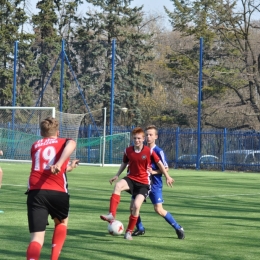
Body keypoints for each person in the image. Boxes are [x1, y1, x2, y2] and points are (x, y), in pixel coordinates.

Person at [100, 127, 174, 240]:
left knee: (135, 206)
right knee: (118, 185)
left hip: (144, 183)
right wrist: (117, 175)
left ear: (143, 139)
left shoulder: (149, 151)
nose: (137, 140)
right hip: (131, 179)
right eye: (134, 138)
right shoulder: (128, 150)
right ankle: (111, 214)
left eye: (139, 138)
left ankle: (129, 231)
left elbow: (160, 164)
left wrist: (167, 176)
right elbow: (124, 163)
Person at [26, 117, 76, 260]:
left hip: (36, 192)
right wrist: (61, 164)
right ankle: (54, 258)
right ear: (58, 132)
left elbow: (44, 166)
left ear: (41, 133)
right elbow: (72, 144)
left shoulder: (35, 145)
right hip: (58, 191)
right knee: (61, 222)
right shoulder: (64, 142)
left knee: (36, 238)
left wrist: (67, 166)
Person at [131, 125, 185, 239]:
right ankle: (140, 228)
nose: (149, 137)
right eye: (147, 135)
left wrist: (154, 172)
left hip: (155, 184)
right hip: (141, 183)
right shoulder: (141, 150)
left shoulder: (158, 151)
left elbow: (166, 167)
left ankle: (178, 227)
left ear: (156, 136)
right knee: (133, 207)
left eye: (151, 135)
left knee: (158, 209)